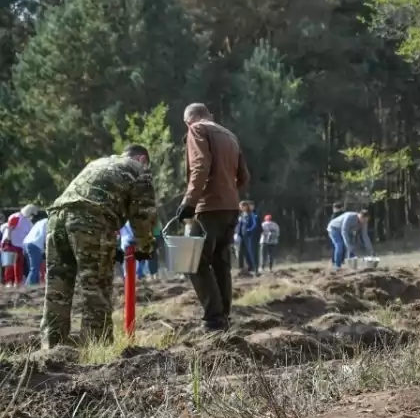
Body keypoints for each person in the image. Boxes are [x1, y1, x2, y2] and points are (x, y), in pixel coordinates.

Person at [40, 145, 157, 348]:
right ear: (141, 158)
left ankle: (52, 348)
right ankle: (95, 349)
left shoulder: (99, 162)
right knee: (96, 288)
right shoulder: (139, 170)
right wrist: (145, 246)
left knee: (57, 290)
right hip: (91, 221)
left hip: (56, 218)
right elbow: (143, 215)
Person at [177, 103, 250, 332]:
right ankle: (224, 317)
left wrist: (190, 201)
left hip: (208, 207)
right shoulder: (230, 135)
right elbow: (244, 177)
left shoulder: (198, 130)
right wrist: (228, 190)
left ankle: (214, 319)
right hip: (230, 208)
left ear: (190, 119)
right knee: (220, 262)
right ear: (211, 115)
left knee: (194, 262)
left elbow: (200, 166)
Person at [23, 215, 49, 286]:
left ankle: (35, 285)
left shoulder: (40, 221)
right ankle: (29, 286)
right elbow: (47, 237)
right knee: (34, 268)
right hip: (35, 244)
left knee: (32, 268)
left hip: (26, 243)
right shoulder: (48, 222)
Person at [236, 201, 259, 275]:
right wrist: (238, 233)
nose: (241, 208)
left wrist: (249, 230)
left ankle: (253, 267)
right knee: (240, 251)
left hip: (248, 235)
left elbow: (254, 224)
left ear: (246, 206)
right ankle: (241, 267)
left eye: (242, 206)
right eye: (240, 207)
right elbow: (240, 225)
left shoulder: (251, 214)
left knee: (249, 251)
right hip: (241, 235)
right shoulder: (242, 215)